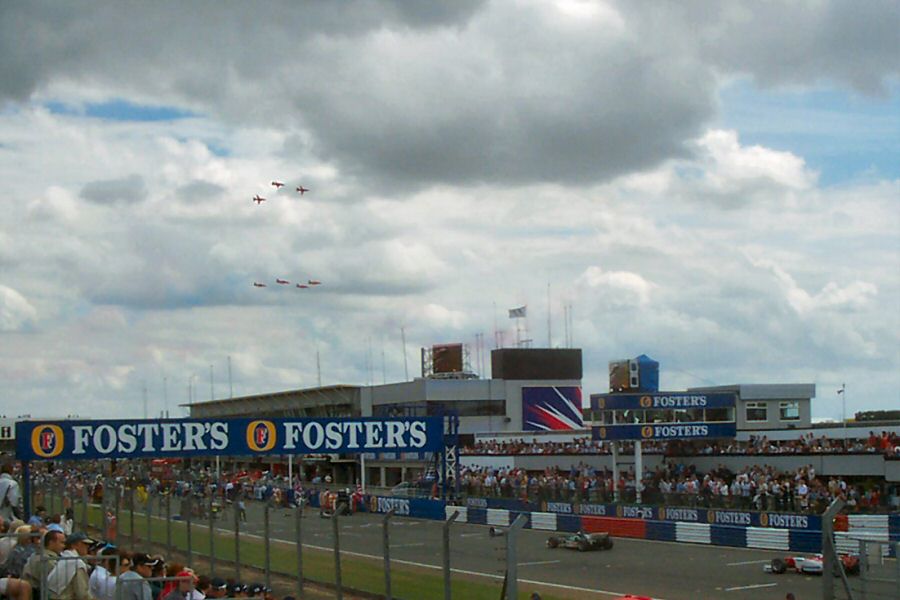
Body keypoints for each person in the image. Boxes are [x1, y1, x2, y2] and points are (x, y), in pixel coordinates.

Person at [46, 532, 95, 600]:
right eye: (84, 544)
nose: (87, 546)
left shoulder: (65, 558)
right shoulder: (76, 563)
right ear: (74, 545)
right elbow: (82, 594)